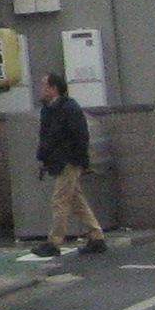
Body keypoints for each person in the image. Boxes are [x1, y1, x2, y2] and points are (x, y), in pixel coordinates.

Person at [35, 72, 108, 256]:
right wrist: (44, 157)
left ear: (54, 88)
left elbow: (80, 136)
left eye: (44, 85)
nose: (41, 88)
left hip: (69, 160)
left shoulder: (69, 108)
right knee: (76, 200)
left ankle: (54, 242)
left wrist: (82, 161)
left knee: (60, 200)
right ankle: (96, 236)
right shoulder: (48, 109)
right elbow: (46, 137)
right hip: (58, 160)